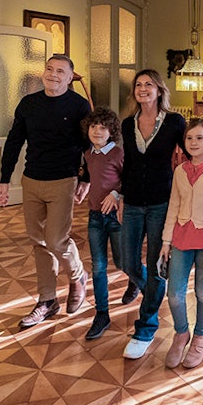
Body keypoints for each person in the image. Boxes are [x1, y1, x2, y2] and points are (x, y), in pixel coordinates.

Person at [0, 54, 91, 330]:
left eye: (61, 71)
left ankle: (78, 275)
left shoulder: (78, 106)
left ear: (70, 77)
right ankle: (47, 300)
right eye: (49, 69)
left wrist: (87, 178)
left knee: (56, 239)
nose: (53, 75)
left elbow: (89, 145)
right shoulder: (29, 104)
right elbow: (14, 142)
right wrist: (4, 180)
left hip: (64, 179)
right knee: (38, 241)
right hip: (32, 179)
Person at [118, 69, 189, 359]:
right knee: (126, 261)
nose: (143, 89)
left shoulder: (174, 122)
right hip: (133, 202)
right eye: (139, 85)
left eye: (149, 84)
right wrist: (119, 194)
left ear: (159, 90)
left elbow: (189, 150)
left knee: (155, 263)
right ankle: (151, 289)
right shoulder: (126, 124)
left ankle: (145, 327)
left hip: (162, 202)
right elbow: (129, 164)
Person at [159, 117, 203, 369]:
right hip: (181, 237)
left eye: (199, 138)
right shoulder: (180, 171)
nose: (193, 142)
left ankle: (200, 336)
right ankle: (182, 333)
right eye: (189, 138)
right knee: (175, 293)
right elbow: (173, 206)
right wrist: (166, 241)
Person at [79, 107, 140, 341]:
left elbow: (129, 180)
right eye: (93, 127)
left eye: (103, 128)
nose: (97, 131)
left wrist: (116, 194)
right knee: (98, 267)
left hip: (116, 217)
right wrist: (82, 188)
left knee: (124, 261)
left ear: (111, 131)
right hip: (95, 217)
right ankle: (101, 314)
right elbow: (89, 176)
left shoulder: (118, 154)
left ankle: (146, 285)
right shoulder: (88, 154)